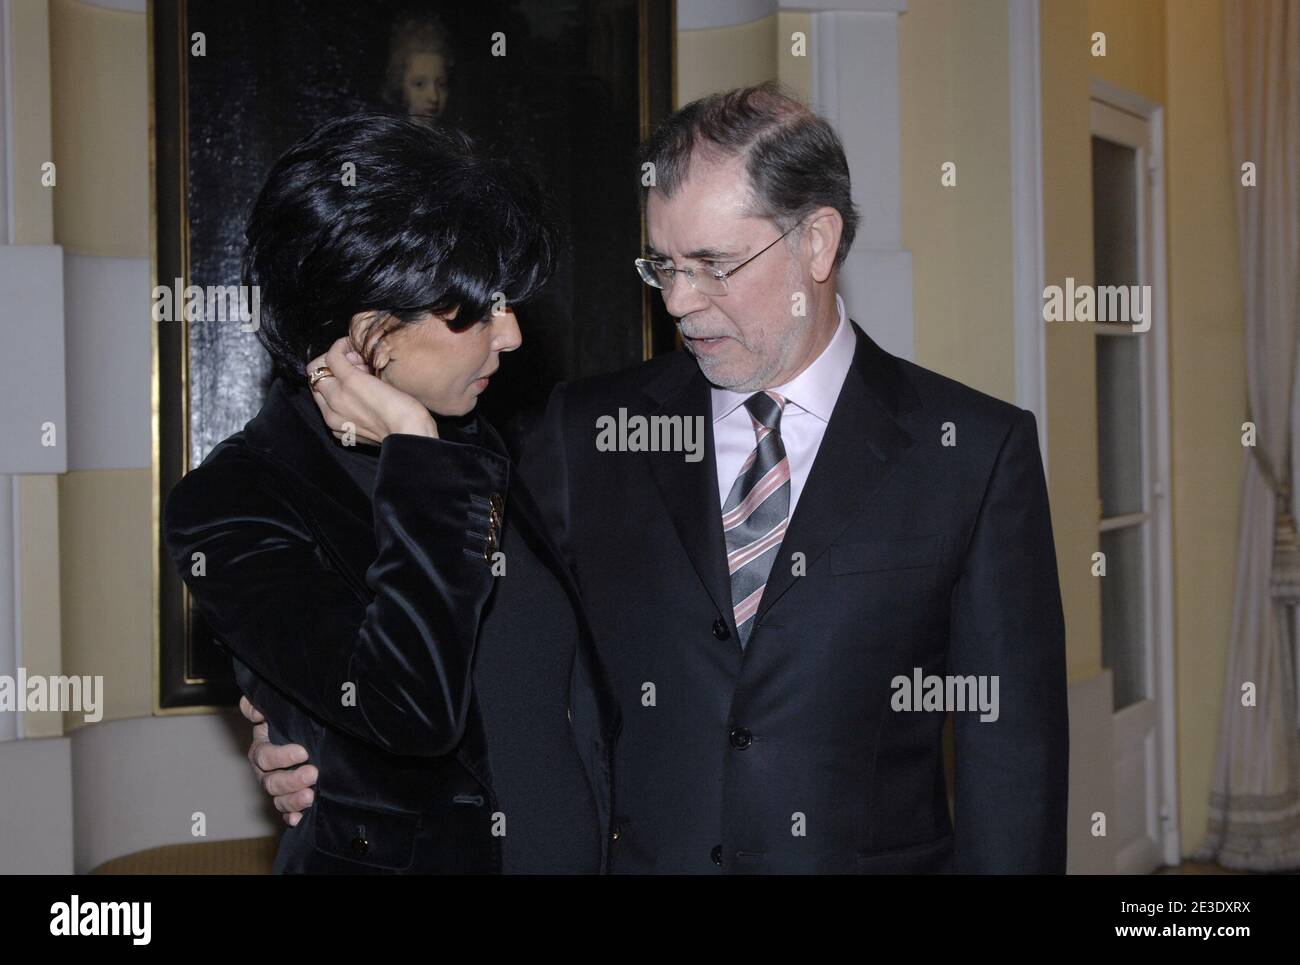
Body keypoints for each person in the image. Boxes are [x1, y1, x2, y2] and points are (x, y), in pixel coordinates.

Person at [251, 83, 1069, 874]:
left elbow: (1014, 759)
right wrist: (306, 726)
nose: (678, 302)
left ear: (816, 242)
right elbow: (459, 623)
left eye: (712, 265)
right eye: (662, 266)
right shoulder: (585, 433)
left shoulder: (971, 450)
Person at [165, 112, 619, 874]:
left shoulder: (478, 443)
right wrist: (417, 458)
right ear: (370, 331)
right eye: (477, 310)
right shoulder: (234, 502)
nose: (508, 335)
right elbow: (411, 710)